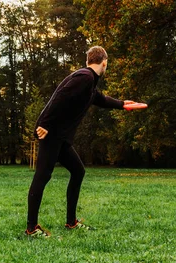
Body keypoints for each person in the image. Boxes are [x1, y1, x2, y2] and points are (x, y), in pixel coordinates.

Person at [26, 46, 135, 237]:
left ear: (88, 60)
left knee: (78, 171)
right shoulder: (85, 77)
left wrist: (122, 104)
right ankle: (31, 228)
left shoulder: (89, 82)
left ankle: (71, 222)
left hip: (61, 138)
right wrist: (43, 123)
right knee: (42, 177)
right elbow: (59, 96)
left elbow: (100, 99)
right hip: (52, 135)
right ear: (104, 62)